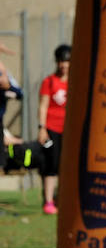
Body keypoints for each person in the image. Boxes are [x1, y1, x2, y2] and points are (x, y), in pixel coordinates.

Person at [37, 43, 70, 214]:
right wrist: (42, 128)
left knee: (67, 166)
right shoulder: (49, 81)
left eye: (67, 62)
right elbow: (43, 105)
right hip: (52, 128)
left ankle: (61, 199)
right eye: (61, 61)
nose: (64, 65)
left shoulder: (76, 82)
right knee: (52, 163)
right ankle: (49, 201)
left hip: (69, 130)